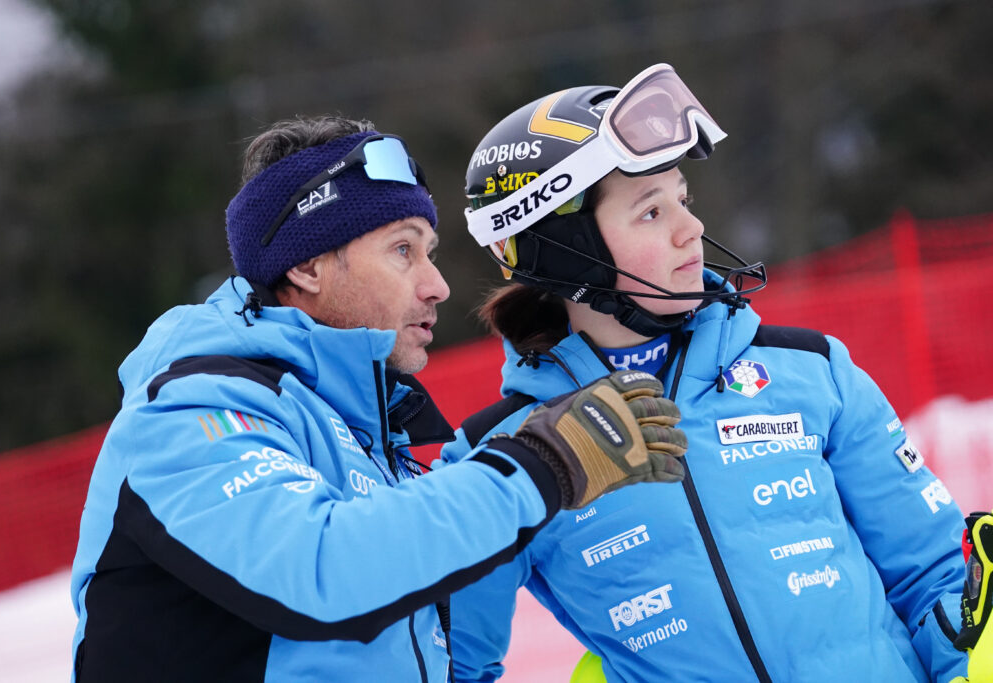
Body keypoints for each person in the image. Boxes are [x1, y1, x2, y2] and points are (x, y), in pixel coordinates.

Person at [68, 115, 691, 681]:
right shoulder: (192, 408)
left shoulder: (365, 441)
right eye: (403, 250)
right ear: (308, 267)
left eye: (431, 252)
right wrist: (539, 464)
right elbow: (321, 570)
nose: (438, 285)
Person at [442, 64, 970, 682]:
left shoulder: (812, 370)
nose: (690, 228)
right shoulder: (503, 458)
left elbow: (937, 578)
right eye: (649, 212)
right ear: (564, 250)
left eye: (683, 200)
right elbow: (448, 665)